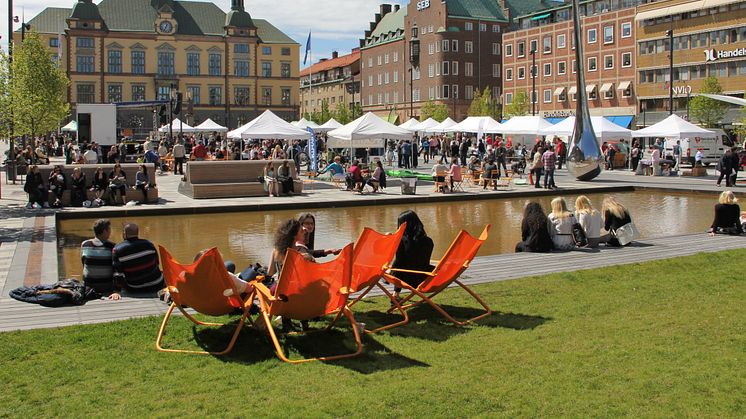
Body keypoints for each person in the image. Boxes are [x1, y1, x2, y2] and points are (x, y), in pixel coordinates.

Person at [266, 219, 314, 332]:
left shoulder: (277, 251)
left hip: (281, 294)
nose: (304, 229)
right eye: (300, 229)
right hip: (302, 294)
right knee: (301, 287)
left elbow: (270, 272)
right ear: (294, 235)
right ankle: (304, 323)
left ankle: (286, 324)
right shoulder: (303, 253)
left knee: (281, 288)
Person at [390, 210, 434, 301]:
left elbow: (398, 262)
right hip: (424, 278)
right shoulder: (429, 241)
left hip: (408, 280)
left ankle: (395, 294)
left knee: (397, 267)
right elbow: (424, 261)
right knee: (405, 266)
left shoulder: (402, 241)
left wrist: (389, 274)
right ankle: (395, 294)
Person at [112, 223, 164, 293]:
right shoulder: (149, 244)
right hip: (157, 284)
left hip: (135, 287)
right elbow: (157, 263)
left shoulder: (117, 250)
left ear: (124, 234)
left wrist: (117, 291)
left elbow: (118, 274)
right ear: (137, 233)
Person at [81, 219, 120, 300]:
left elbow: (83, 263)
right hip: (106, 287)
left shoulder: (85, 244)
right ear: (105, 231)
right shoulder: (112, 246)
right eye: (109, 229)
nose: (110, 231)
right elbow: (116, 269)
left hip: (88, 287)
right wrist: (116, 290)